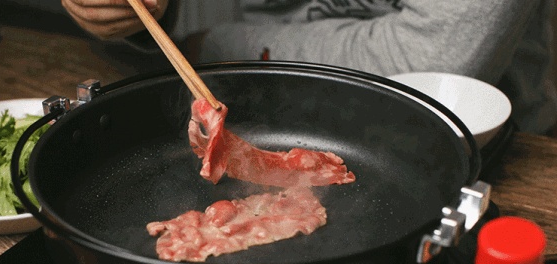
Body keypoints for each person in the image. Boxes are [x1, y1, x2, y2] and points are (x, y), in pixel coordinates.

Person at [59, 0, 557, 135]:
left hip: (479, 140)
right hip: (236, 103)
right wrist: (143, 16)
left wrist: (214, 47)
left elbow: (430, 62)